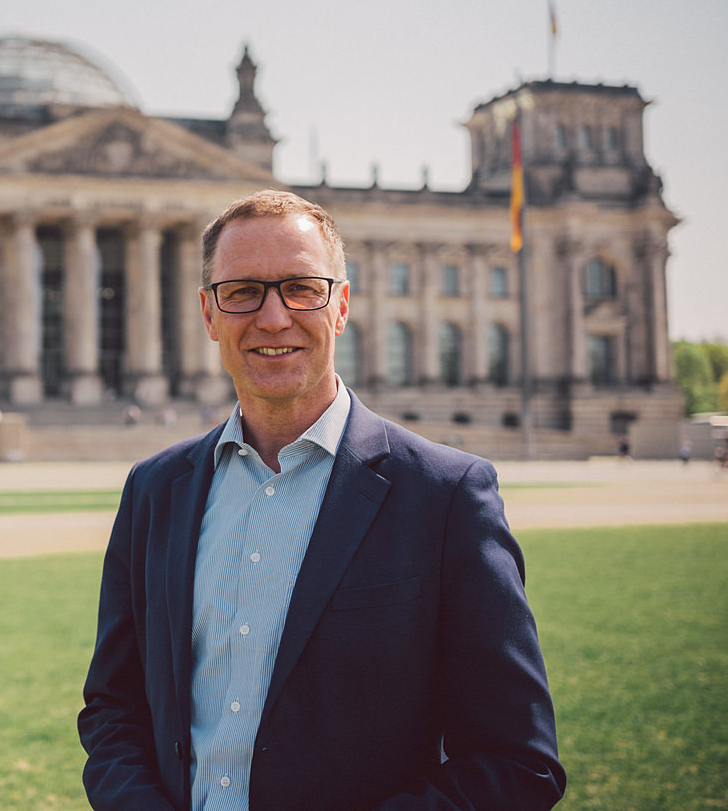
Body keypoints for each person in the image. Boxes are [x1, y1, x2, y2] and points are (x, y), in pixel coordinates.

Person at [79, 190, 564, 811]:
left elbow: (517, 763)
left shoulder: (445, 496)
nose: (274, 317)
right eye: (243, 291)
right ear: (209, 314)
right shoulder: (154, 490)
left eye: (302, 288)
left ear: (341, 307)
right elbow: (114, 708)